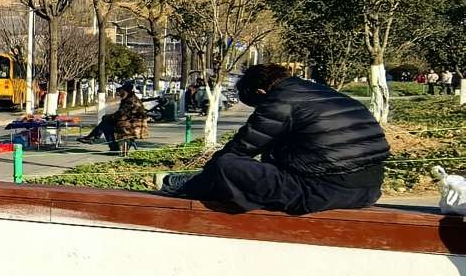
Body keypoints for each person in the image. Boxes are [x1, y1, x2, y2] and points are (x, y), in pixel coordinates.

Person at [160, 64, 390, 214]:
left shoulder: (281, 99)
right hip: (369, 189)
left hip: (324, 191)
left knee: (227, 166)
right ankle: (197, 182)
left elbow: (241, 148)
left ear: (260, 93)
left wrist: (204, 176)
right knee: (268, 158)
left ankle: (189, 186)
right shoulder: (323, 92)